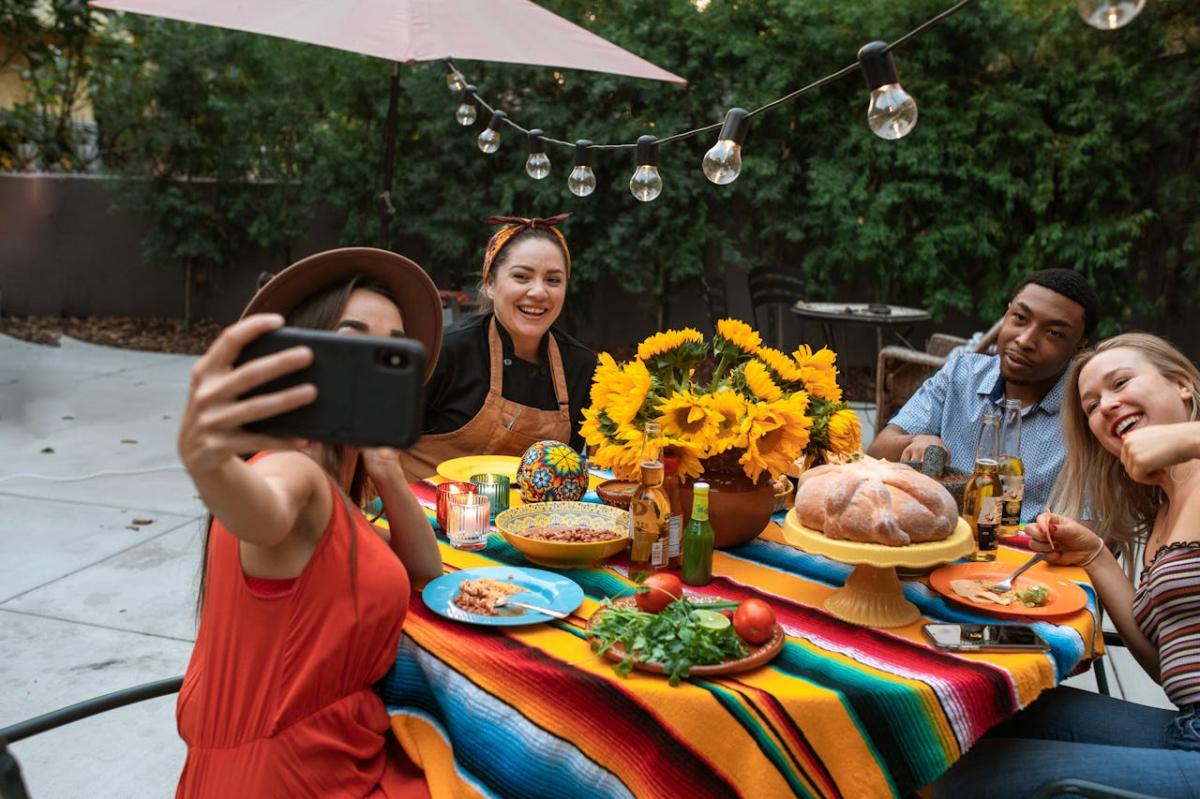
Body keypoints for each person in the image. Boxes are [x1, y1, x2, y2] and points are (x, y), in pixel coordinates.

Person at [174, 247, 444, 798]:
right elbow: (263, 509)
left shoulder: (340, 482)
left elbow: (424, 569)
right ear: (302, 355)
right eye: (351, 341)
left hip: (335, 759)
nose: (372, 359)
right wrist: (208, 463)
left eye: (389, 351)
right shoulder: (292, 470)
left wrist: (386, 466)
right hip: (292, 780)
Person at [933, 333, 1200, 798]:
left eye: (1121, 383)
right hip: (1185, 725)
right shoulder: (1165, 511)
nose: (1108, 406)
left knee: (965, 784)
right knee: (971, 713)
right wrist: (1094, 553)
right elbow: (1167, 666)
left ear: (1182, 385)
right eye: (1093, 405)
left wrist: (1191, 437)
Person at [868, 268, 1099, 519]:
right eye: (1020, 317)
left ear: (1079, 346)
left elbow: (1095, 529)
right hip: (938, 538)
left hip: (1029, 553)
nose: (1025, 340)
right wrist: (916, 441)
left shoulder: (1088, 413)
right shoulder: (962, 373)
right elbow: (877, 449)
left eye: (1054, 333)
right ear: (1007, 313)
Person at [400, 214, 598, 479]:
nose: (538, 292)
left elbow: (567, 472)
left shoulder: (582, 368)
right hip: (420, 513)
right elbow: (380, 446)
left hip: (525, 519)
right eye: (521, 277)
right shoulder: (445, 351)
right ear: (491, 284)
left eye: (553, 280)